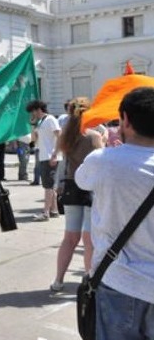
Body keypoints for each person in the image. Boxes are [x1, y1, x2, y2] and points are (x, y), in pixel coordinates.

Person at [75, 87, 154, 339]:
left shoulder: (103, 160)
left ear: (126, 119)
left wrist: (102, 146)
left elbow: (81, 180)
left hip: (119, 282)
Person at [50, 97, 103, 292]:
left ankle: (58, 280)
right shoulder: (94, 136)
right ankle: (89, 283)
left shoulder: (66, 137)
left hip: (72, 186)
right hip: (91, 187)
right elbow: (102, 162)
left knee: (69, 238)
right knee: (89, 240)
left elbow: (60, 160)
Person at [26, 100, 62, 221]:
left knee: (48, 186)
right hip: (43, 156)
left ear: (38, 110)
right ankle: (54, 210)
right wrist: (32, 125)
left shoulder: (50, 119)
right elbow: (33, 140)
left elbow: (60, 136)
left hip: (50, 156)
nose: (32, 114)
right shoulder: (41, 122)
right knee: (50, 185)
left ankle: (45, 212)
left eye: (33, 112)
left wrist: (55, 154)